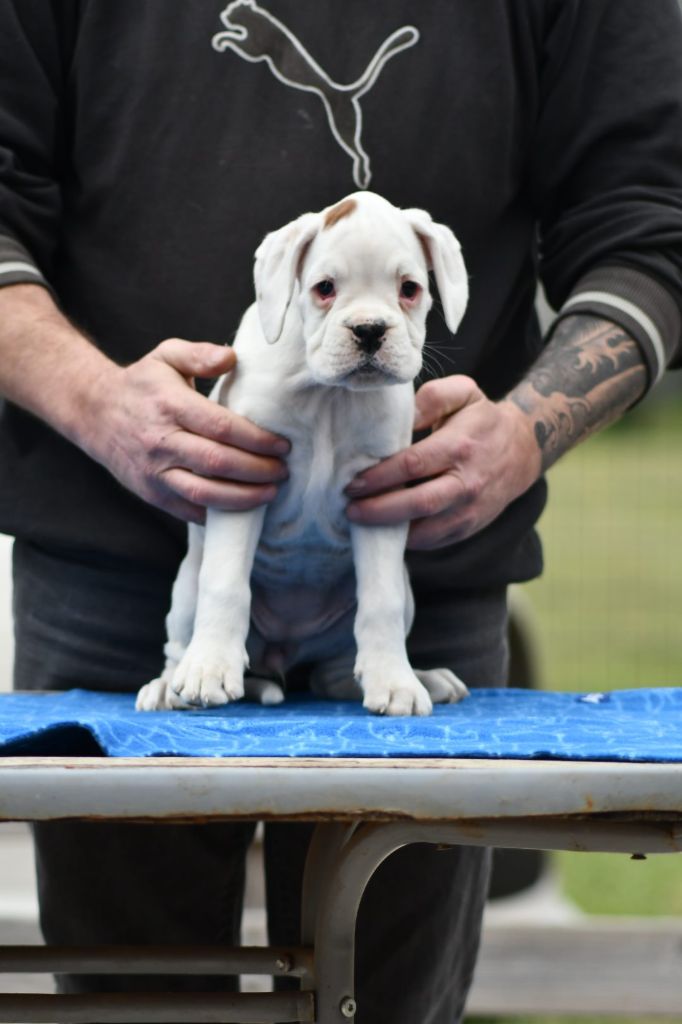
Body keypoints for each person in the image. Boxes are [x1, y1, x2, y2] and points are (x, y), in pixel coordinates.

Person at [1, 1, 681, 1020]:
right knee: (134, 1005)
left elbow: (653, 224)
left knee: (383, 1001)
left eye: (405, 294)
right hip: (110, 585)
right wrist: (92, 397)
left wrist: (524, 430)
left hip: (420, 590)